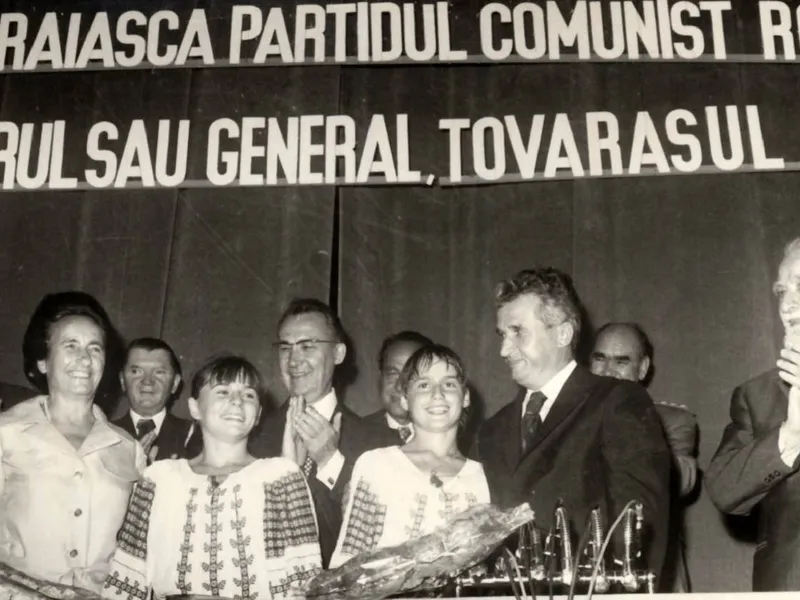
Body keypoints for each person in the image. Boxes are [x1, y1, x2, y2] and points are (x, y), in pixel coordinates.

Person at [473, 268, 672, 579]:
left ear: (563, 334)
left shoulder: (617, 401)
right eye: (502, 334)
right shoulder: (491, 430)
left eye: (518, 332)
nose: (504, 350)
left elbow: (639, 524)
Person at [102, 356, 321, 600]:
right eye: (223, 391)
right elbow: (125, 580)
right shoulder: (159, 479)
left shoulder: (282, 477)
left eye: (248, 395)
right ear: (195, 408)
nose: (237, 401)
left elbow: (306, 585)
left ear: (258, 414)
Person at [0, 291, 145, 592]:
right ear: (42, 361)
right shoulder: (6, 433)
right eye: (71, 346)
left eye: (95, 348)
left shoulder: (129, 449)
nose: (84, 358)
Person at [330, 344, 490, 568]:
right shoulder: (377, 465)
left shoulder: (482, 477)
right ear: (405, 399)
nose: (438, 394)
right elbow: (349, 562)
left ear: (465, 398)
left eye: (449, 384)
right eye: (424, 385)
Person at [248, 298, 377, 567]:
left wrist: (330, 462)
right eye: (285, 347)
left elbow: (375, 535)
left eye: (307, 346)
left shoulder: (375, 440)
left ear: (338, 354)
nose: (294, 359)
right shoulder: (251, 435)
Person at [707, 237, 800, 591]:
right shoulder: (756, 395)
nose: (788, 304)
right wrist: (791, 434)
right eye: (781, 291)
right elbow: (724, 490)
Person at [590, 322, 698, 592]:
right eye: (599, 358)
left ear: (643, 368)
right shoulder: (564, 421)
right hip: (585, 570)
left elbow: (680, 480)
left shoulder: (671, 419)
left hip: (649, 566)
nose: (608, 371)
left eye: (622, 361)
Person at [114, 337, 202, 462]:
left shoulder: (195, 434)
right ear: (122, 381)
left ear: (175, 383)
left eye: (159, 372)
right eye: (136, 371)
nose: (147, 381)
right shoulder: (102, 434)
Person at [361, 330, 433, 446]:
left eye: (412, 376)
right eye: (392, 373)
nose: (400, 386)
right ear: (380, 378)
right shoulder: (354, 435)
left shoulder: (455, 439)